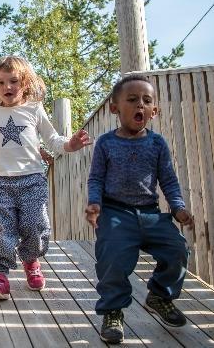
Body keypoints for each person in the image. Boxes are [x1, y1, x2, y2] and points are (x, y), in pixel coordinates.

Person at [0, 55, 90, 299]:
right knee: (3, 229)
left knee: (35, 226)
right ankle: (0, 277)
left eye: (13, 81)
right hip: (0, 181)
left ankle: (31, 261)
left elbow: (53, 140)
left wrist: (70, 144)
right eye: (0, 83)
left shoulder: (33, 109)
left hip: (32, 179)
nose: (7, 87)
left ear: (25, 83)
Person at [85, 75, 194, 344]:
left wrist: (178, 207)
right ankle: (112, 312)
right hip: (115, 213)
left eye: (147, 101)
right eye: (132, 100)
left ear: (154, 111)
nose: (140, 106)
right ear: (115, 108)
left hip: (151, 213)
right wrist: (95, 203)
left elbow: (168, 179)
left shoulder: (157, 144)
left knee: (177, 250)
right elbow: (96, 177)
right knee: (112, 259)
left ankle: (160, 294)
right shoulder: (106, 143)